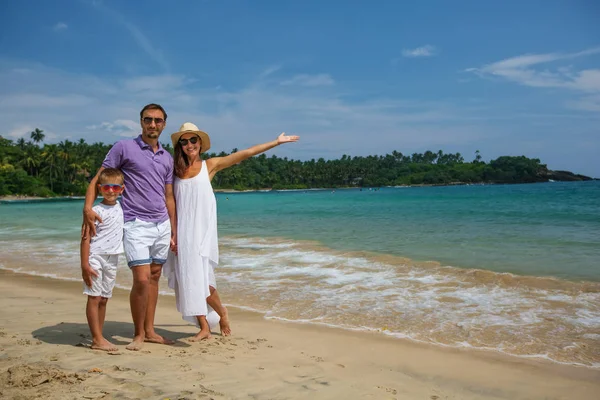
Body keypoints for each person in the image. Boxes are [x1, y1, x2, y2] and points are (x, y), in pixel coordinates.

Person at [163, 122, 299, 341]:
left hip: (201, 233)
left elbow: (244, 154)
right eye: (184, 141)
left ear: (200, 143)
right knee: (187, 280)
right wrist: (173, 232)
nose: (189, 145)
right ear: (180, 145)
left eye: (193, 140)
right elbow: (169, 201)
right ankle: (204, 327)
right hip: (182, 233)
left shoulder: (210, 165)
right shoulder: (174, 171)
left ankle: (222, 312)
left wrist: (276, 142)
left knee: (204, 282)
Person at [82, 103, 176, 351]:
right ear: (141, 122)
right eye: (148, 120)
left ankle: (150, 330)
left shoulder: (167, 157)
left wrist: (173, 228)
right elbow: (98, 178)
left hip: (162, 224)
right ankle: (138, 334)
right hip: (135, 223)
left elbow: (168, 195)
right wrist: (87, 208)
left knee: (155, 277)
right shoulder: (124, 147)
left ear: (164, 124)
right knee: (142, 280)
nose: (152, 124)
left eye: (157, 120)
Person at [80, 168, 125, 352]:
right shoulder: (94, 211)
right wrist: (84, 265)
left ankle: (99, 335)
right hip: (95, 257)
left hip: (113, 258)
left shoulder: (123, 207)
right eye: (106, 187)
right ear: (100, 188)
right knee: (94, 297)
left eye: (115, 187)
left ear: (122, 189)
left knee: (104, 298)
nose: (111, 191)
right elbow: (85, 238)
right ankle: (97, 339)